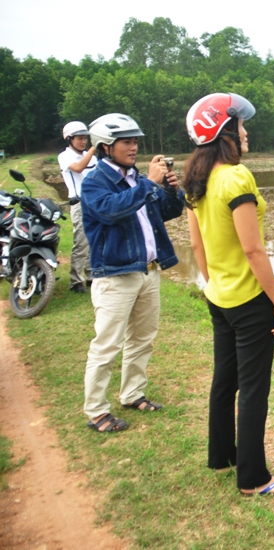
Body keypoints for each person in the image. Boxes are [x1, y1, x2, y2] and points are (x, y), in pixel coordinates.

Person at [182, 93, 274, 496]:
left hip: (218, 297)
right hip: (249, 302)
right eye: (240, 126)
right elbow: (253, 249)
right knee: (253, 390)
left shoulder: (197, 179)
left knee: (224, 380)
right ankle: (253, 479)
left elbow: (197, 246)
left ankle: (221, 457)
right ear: (223, 131)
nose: (245, 133)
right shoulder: (235, 177)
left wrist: (215, 282)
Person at [80, 113, 185, 433]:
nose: (133, 147)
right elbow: (112, 211)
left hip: (148, 272)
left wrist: (169, 191)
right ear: (104, 147)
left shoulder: (137, 179)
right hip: (115, 275)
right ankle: (97, 411)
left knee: (142, 339)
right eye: (126, 142)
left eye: (135, 141)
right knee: (107, 345)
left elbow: (168, 213)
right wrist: (150, 184)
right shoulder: (94, 183)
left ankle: (132, 393)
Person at [58, 121, 98, 292]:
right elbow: (79, 167)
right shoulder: (65, 156)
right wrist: (94, 148)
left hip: (94, 202)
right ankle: (75, 281)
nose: (83, 142)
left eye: (85, 139)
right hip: (79, 203)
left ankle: (91, 277)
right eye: (80, 139)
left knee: (94, 241)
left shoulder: (92, 157)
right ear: (69, 139)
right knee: (81, 242)